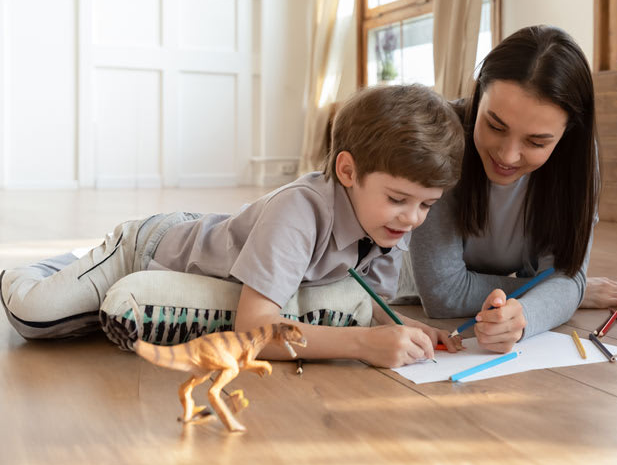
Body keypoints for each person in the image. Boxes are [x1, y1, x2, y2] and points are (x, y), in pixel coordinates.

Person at [1, 84, 465, 368]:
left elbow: (370, 304)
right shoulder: (299, 212)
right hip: (149, 249)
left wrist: (413, 328)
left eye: (428, 205)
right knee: (36, 317)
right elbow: (253, 332)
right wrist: (363, 345)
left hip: (214, 252)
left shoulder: (392, 226)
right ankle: (62, 265)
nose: (413, 219)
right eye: (399, 200)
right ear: (347, 172)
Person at [400, 25, 617, 354]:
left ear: (566, 135)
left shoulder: (575, 166)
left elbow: (565, 274)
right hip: (400, 291)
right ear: (478, 97)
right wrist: (564, 292)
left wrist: (526, 315)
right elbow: (443, 294)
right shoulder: (442, 142)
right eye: (494, 125)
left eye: (536, 142)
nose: (507, 155)